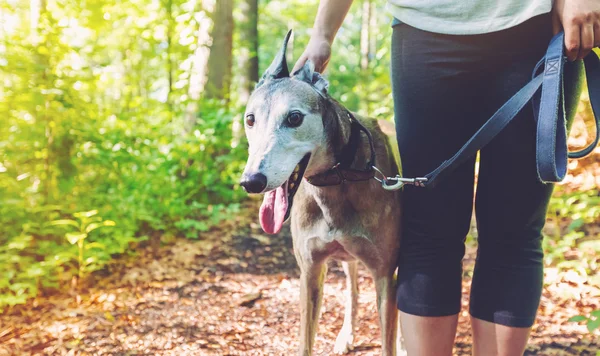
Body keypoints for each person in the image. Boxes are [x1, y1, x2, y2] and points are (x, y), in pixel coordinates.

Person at [292, 1, 600, 355]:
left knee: (513, 232)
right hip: (426, 32)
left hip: (536, 28)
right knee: (429, 232)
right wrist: (322, 34)